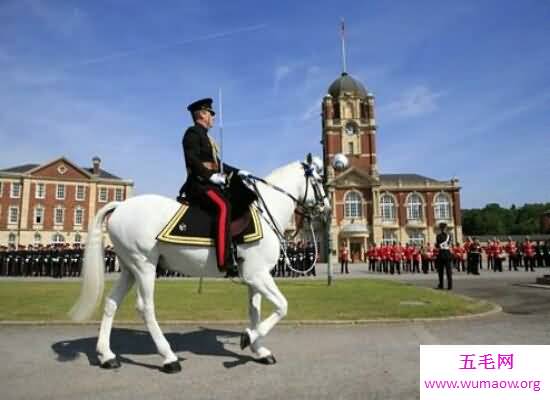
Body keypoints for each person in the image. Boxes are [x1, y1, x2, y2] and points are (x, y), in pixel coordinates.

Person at [178, 98, 251, 273]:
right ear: (202, 114)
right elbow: (192, 160)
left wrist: (239, 171)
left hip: (209, 183)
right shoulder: (192, 133)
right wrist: (210, 176)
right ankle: (223, 260)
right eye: (211, 114)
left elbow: (219, 164)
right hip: (198, 185)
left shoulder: (207, 137)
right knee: (224, 206)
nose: (213, 117)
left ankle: (234, 249)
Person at [435, 223, 453, 290]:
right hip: (448, 254)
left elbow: (437, 245)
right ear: (445, 228)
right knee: (449, 271)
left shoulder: (438, 236)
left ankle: (441, 285)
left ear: (440, 228)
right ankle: (450, 286)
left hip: (441, 254)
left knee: (441, 271)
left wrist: (437, 245)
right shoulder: (449, 236)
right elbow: (448, 244)